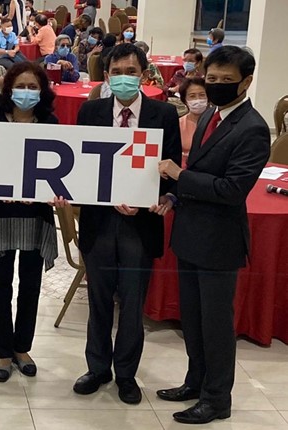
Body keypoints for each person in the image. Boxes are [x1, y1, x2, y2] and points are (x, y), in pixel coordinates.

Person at [156, 46, 270, 425]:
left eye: (226, 81)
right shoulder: (210, 117)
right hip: (190, 234)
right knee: (193, 319)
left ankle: (218, 398)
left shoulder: (252, 128)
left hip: (220, 242)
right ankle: (196, 381)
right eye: (212, 79)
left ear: (246, 81)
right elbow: (202, 169)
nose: (217, 86)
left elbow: (231, 190)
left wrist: (178, 176)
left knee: (217, 326)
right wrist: (175, 193)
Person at [71, 43, 181, 405]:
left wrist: (161, 198)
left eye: (130, 72)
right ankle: (97, 367)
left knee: (132, 304)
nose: (123, 79)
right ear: (106, 76)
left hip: (141, 225)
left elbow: (170, 172)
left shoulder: (164, 115)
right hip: (100, 221)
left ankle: (127, 374)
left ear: (144, 75)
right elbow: (80, 167)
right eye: (116, 72)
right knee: (99, 300)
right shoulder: (91, 111)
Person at [0, 61, 58, 383]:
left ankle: (23, 348)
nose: (26, 92)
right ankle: (3, 352)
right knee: (0, 285)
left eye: (33, 87)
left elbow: (61, 170)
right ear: (8, 90)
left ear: (42, 91)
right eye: (20, 86)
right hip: (0, 215)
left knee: (31, 285)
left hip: (36, 216)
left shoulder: (51, 123)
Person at [177, 77, 207, 167]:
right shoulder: (178, 124)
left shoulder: (218, 122)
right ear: (185, 100)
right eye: (192, 96)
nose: (197, 100)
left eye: (202, 95)